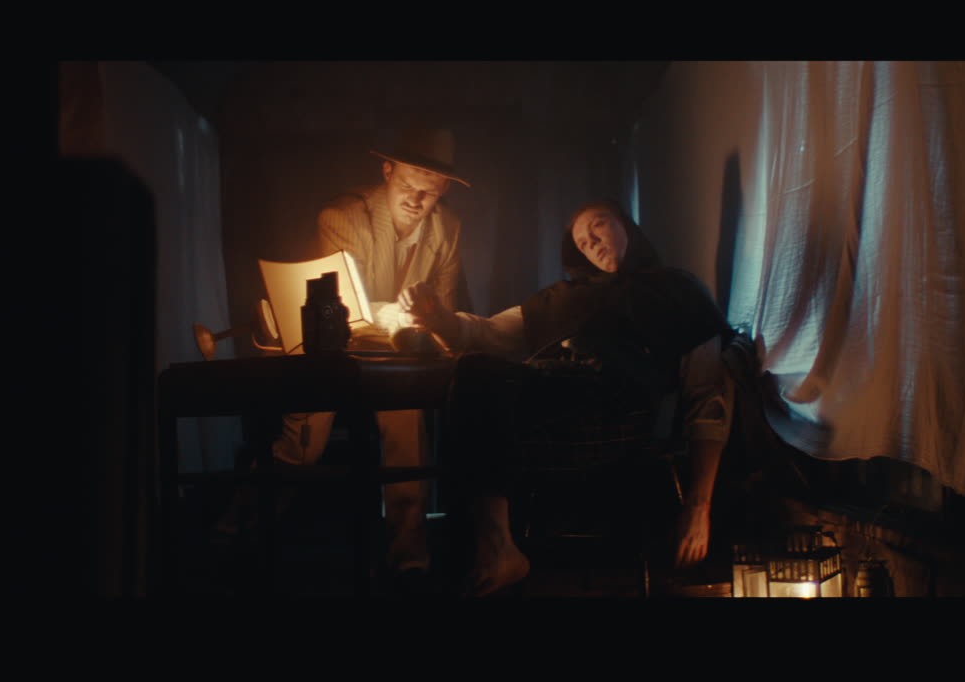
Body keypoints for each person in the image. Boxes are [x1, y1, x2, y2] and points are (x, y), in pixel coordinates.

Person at [400, 200, 734, 596]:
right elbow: (487, 333)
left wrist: (699, 508)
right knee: (473, 371)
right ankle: (495, 547)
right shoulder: (564, 297)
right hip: (548, 411)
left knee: (484, 392)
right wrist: (436, 317)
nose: (591, 242)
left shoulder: (679, 290)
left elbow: (708, 398)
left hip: (619, 417)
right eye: (581, 241)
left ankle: (489, 549)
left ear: (626, 226)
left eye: (599, 227)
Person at [221, 123, 469, 584]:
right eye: (408, 187)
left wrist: (433, 322)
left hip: (397, 357)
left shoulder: (447, 230)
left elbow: (445, 308)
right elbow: (343, 306)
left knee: (408, 435)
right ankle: (238, 530)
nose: (416, 201)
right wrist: (400, 315)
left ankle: (409, 560)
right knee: (301, 450)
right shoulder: (343, 216)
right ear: (386, 171)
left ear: (444, 192)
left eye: (430, 193)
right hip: (330, 348)